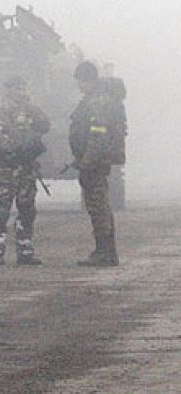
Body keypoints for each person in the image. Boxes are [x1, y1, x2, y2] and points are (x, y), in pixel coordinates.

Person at [0, 75, 51, 265]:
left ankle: (25, 250)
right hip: (5, 167)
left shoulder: (31, 112)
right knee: (1, 209)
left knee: (27, 208)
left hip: (26, 168)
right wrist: (11, 149)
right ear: (7, 90)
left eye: (23, 88)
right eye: (17, 88)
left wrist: (31, 109)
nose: (21, 92)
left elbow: (45, 126)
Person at [68, 60, 127, 266]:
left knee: (97, 205)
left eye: (80, 81)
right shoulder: (97, 99)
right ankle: (106, 251)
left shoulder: (98, 102)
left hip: (95, 162)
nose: (78, 86)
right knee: (99, 204)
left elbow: (97, 135)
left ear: (88, 80)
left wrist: (87, 161)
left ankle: (104, 251)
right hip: (95, 160)